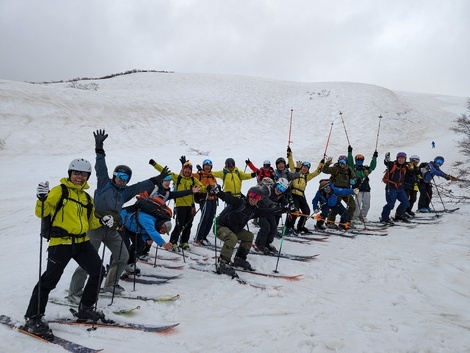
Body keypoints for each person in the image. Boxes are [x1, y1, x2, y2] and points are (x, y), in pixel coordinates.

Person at [69, 130, 168, 297]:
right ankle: (75, 292)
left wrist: (156, 179)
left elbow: (139, 186)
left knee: (123, 255)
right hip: (95, 228)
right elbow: (101, 166)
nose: (123, 179)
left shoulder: (125, 192)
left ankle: (111, 283)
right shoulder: (104, 184)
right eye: (120, 176)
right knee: (88, 260)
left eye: (126, 178)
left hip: (112, 229)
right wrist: (99, 148)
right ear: (114, 176)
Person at [24, 158, 112, 340]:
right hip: (60, 244)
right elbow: (42, 212)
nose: (79, 177)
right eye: (76, 173)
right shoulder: (59, 191)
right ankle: (33, 318)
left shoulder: (87, 198)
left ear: (87, 176)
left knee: (98, 271)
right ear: (70, 173)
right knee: (49, 281)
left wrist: (103, 220)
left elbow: (91, 221)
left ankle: (86, 308)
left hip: (81, 242)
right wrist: (41, 199)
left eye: (83, 174)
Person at [213, 186, 286, 276]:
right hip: (220, 227)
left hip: (233, 230)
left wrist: (284, 210)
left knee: (249, 236)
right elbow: (228, 198)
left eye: (257, 197)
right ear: (248, 195)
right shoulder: (239, 202)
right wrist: (218, 192)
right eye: (252, 196)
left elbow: (268, 212)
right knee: (232, 238)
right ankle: (223, 263)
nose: (254, 199)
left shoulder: (254, 210)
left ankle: (240, 259)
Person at [149, 156, 204, 250]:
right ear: (183, 169)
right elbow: (165, 172)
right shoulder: (177, 178)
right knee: (180, 224)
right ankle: (173, 242)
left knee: (188, 225)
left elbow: (201, 186)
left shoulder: (193, 180)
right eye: (185, 169)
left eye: (189, 170)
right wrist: (154, 164)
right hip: (180, 205)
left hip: (190, 206)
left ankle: (184, 242)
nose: (187, 171)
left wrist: (209, 189)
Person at [119, 200, 173, 269]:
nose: (162, 232)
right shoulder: (148, 220)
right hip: (122, 223)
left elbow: (144, 232)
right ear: (162, 226)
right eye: (163, 231)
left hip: (132, 228)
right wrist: (163, 244)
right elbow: (152, 231)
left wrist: (147, 238)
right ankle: (114, 268)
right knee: (122, 246)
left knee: (139, 244)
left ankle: (129, 263)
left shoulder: (155, 224)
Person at [284, 152, 324, 234]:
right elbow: (291, 163)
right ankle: (289, 227)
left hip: (301, 195)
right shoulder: (295, 172)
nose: (305, 169)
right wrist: (289, 154)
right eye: (304, 167)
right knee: (295, 211)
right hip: (293, 194)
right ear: (301, 167)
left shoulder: (307, 176)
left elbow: (317, 172)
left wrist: (321, 164)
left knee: (306, 211)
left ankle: (300, 226)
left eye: (307, 168)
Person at [254, 178, 290, 254]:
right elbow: (263, 197)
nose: (279, 190)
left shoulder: (280, 195)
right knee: (265, 227)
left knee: (273, 227)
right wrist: (271, 204)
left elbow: (285, 202)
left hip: (268, 211)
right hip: (259, 210)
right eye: (279, 187)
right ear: (276, 184)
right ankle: (259, 244)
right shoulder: (267, 189)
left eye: (282, 189)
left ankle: (267, 243)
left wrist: (290, 206)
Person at [322, 154, 357, 227]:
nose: (342, 164)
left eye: (343, 162)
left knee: (352, 206)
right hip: (336, 191)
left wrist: (353, 181)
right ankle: (330, 222)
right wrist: (327, 163)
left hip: (346, 191)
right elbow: (324, 170)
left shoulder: (349, 169)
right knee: (335, 207)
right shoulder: (335, 168)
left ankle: (347, 221)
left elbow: (354, 177)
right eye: (340, 162)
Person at [347, 146, 378, 223]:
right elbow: (350, 162)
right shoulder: (353, 168)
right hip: (357, 189)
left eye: (361, 160)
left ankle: (363, 216)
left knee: (367, 204)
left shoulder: (365, 169)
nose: (359, 161)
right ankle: (355, 217)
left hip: (366, 188)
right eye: (358, 160)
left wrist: (374, 157)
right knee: (357, 204)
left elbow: (372, 167)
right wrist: (350, 152)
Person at [380, 152, 411, 224]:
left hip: (400, 188)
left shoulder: (405, 167)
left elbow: (412, 172)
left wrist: (421, 170)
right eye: (399, 158)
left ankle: (399, 215)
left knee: (406, 203)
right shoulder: (392, 165)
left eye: (403, 159)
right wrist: (386, 160)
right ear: (397, 159)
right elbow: (387, 163)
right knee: (390, 205)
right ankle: (384, 218)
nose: (401, 160)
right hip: (391, 187)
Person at [193, 159, 219, 246]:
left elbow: (215, 186)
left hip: (213, 200)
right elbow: (188, 175)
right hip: (204, 199)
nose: (207, 167)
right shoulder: (199, 175)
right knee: (205, 218)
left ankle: (204, 237)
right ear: (203, 166)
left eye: (209, 166)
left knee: (210, 219)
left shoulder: (212, 176)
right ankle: (198, 238)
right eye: (205, 165)